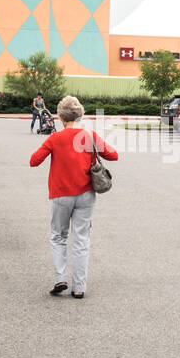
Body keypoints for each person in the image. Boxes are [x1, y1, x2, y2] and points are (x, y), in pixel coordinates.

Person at [29, 95, 118, 299]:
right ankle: (79, 287)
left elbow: (34, 161)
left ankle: (60, 278)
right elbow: (113, 155)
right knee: (81, 240)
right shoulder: (89, 136)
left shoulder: (54, 138)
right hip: (86, 194)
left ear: (61, 117)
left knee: (58, 236)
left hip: (60, 195)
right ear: (79, 115)